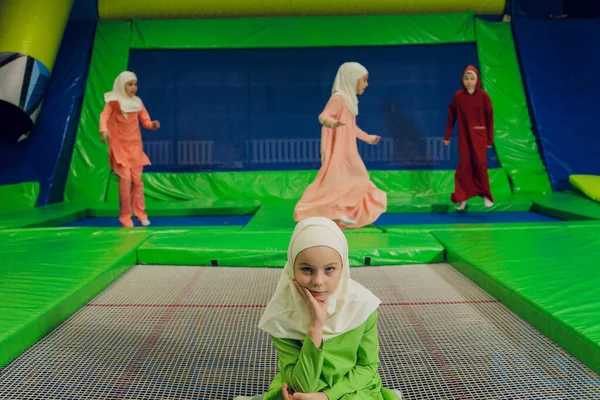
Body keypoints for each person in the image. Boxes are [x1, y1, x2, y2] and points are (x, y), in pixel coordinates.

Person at [235, 217, 403, 400]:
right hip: (300, 387)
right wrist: (315, 327)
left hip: (351, 388)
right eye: (307, 269)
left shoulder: (362, 307)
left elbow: (367, 368)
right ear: (292, 268)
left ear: (343, 268)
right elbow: (302, 385)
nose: (318, 281)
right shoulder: (282, 315)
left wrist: (325, 397)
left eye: (329, 269)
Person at [293, 62, 387, 229]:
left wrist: (367, 138)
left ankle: (340, 212)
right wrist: (330, 122)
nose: (366, 84)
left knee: (345, 181)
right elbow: (323, 115)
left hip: (348, 148)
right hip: (339, 149)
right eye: (363, 80)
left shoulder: (350, 101)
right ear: (351, 79)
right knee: (350, 179)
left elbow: (351, 126)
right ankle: (308, 209)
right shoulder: (339, 98)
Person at [99, 71, 160, 227]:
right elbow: (104, 116)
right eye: (130, 84)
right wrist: (103, 130)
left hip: (134, 147)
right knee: (125, 179)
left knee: (137, 181)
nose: (134, 87)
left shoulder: (137, 102)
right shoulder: (114, 101)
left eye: (135, 84)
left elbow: (145, 121)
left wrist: (152, 125)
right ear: (122, 85)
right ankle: (125, 217)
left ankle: (141, 214)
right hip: (119, 147)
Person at [444, 65, 494, 211]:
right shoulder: (458, 96)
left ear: (477, 80)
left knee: (480, 164)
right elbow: (451, 116)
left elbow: (490, 119)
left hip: (479, 136)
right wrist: (447, 136)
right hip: (464, 137)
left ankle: (486, 195)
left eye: (472, 78)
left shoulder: (484, 96)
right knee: (464, 167)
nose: (469, 81)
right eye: (466, 78)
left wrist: (489, 139)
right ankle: (462, 198)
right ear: (462, 80)